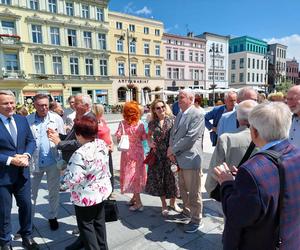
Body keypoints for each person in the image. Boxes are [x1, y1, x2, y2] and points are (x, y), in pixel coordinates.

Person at [214, 102, 300, 250]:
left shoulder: (251, 170)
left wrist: (227, 183)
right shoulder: (296, 154)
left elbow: (237, 215)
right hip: (290, 239)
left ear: (254, 132)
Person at [48, 94, 94, 250]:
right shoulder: (81, 117)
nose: (73, 104)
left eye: (77, 103)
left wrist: (59, 143)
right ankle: (84, 236)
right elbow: (72, 137)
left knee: (82, 205)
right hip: (76, 164)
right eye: (73, 102)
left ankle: (85, 239)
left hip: (81, 167)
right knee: (79, 203)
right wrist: (59, 136)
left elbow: (79, 142)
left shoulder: (89, 118)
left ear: (86, 106)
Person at [64, 115, 112, 250]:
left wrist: (64, 173)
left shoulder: (80, 153)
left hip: (85, 196)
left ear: (78, 134)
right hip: (101, 192)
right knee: (99, 223)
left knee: (86, 227)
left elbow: (73, 179)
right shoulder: (101, 143)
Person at [0, 90, 38, 250]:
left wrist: (27, 155)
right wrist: (10, 160)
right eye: (5, 103)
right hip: (2, 176)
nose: (10, 106)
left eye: (11, 102)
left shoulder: (21, 120)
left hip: (22, 175)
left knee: (26, 206)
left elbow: (31, 141)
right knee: (3, 211)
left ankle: (26, 235)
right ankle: (5, 242)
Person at [168, 88, 205, 233]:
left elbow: (190, 138)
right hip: (179, 157)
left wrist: (173, 149)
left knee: (194, 191)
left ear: (191, 99)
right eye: (178, 96)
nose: (178, 99)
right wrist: (171, 147)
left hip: (190, 158)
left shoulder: (197, 114)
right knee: (183, 188)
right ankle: (187, 211)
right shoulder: (180, 113)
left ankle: (197, 219)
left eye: (182, 97)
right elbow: (173, 132)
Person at [27, 94, 65, 231]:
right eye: (40, 105)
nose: (44, 108)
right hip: (34, 163)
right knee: (31, 194)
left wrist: (63, 161)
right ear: (34, 105)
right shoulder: (28, 120)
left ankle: (53, 217)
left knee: (53, 191)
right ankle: (28, 221)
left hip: (53, 162)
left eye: (46, 105)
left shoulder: (56, 119)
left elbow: (62, 139)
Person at [205, 100, 257, 198]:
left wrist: (212, 190)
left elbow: (215, 168)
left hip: (231, 190)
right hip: (256, 191)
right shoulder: (266, 137)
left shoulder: (226, 139)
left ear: (238, 117)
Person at [145, 99, 180, 216]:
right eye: (158, 108)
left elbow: (178, 137)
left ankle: (173, 203)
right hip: (158, 155)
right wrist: (150, 143)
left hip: (171, 154)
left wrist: (174, 149)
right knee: (160, 180)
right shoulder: (152, 123)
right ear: (154, 110)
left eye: (162, 107)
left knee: (173, 179)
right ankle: (164, 204)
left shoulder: (173, 119)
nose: (161, 110)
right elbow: (148, 136)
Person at [115, 101, 147, 211]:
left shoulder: (122, 123)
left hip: (127, 153)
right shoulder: (140, 124)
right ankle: (134, 199)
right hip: (138, 153)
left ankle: (139, 203)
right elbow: (143, 138)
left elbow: (118, 138)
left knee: (133, 177)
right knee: (136, 176)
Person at [93, 104, 114, 192]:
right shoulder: (93, 123)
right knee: (102, 171)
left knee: (109, 169)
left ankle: (110, 189)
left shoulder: (102, 120)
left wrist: (112, 143)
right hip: (100, 151)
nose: (104, 112)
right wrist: (105, 147)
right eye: (102, 111)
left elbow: (108, 132)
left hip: (108, 149)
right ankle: (103, 190)